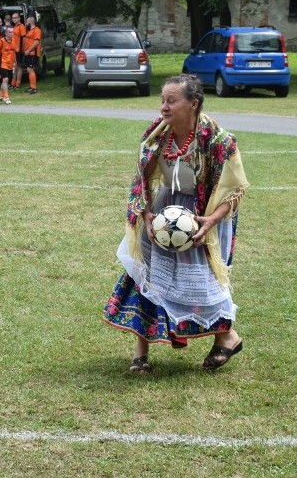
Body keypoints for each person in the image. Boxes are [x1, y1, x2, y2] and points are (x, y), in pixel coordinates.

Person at [103, 74, 249, 374]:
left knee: (204, 282)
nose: (163, 107)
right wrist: (145, 215)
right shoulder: (157, 134)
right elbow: (141, 179)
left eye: (172, 100)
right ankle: (140, 352)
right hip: (163, 213)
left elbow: (236, 189)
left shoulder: (219, 140)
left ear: (193, 104)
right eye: (162, 100)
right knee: (147, 274)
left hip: (200, 216)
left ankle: (227, 336)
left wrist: (209, 222)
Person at [0, 26, 16, 104]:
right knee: (5, 80)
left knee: (7, 81)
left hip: (10, 64)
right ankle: (6, 97)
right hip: (3, 63)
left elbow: (14, 52)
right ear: (6, 33)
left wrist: (15, 62)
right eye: (10, 32)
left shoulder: (13, 40)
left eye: (13, 32)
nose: (12, 33)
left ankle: (1, 94)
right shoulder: (2, 41)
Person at [22, 15, 42, 95]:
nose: (26, 23)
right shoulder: (28, 30)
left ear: (30, 22)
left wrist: (29, 50)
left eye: (27, 22)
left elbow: (36, 42)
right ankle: (32, 86)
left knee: (30, 69)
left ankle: (34, 88)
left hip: (33, 53)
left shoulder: (36, 30)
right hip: (28, 53)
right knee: (29, 69)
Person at [10, 11, 26, 91]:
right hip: (13, 50)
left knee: (19, 67)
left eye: (15, 17)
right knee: (15, 67)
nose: (14, 19)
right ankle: (13, 84)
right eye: (13, 18)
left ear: (19, 18)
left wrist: (23, 49)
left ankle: (18, 84)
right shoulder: (14, 27)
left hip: (18, 50)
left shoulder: (21, 26)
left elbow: (24, 38)